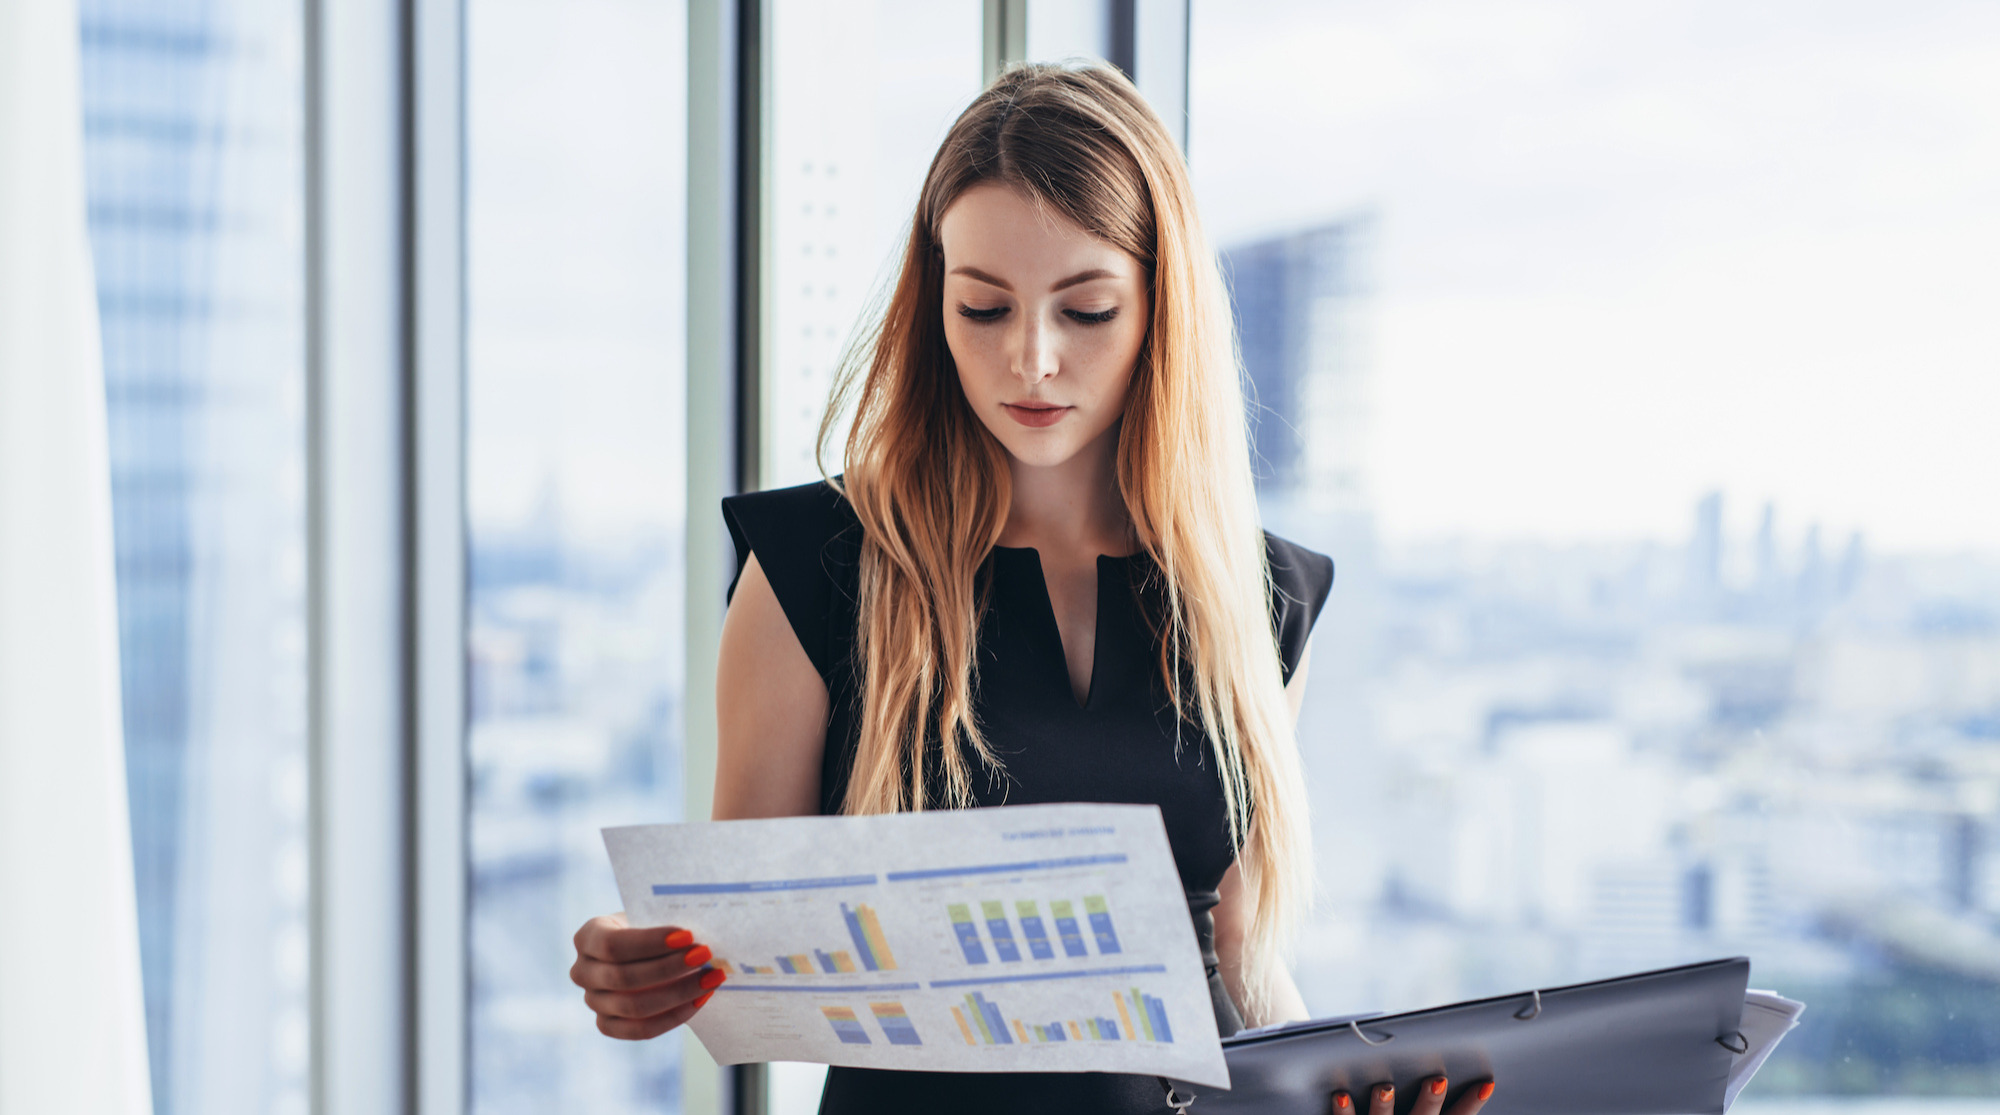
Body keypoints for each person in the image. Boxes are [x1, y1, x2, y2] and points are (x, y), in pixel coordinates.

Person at [570, 62, 1495, 1115]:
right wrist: (643, 966)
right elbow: (738, 957)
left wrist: (1338, 1090)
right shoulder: (816, 565)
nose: (1031, 360)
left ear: (1160, 308)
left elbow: (1237, 968)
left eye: (1087, 310)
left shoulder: (1261, 596)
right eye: (983, 308)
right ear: (934, 309)